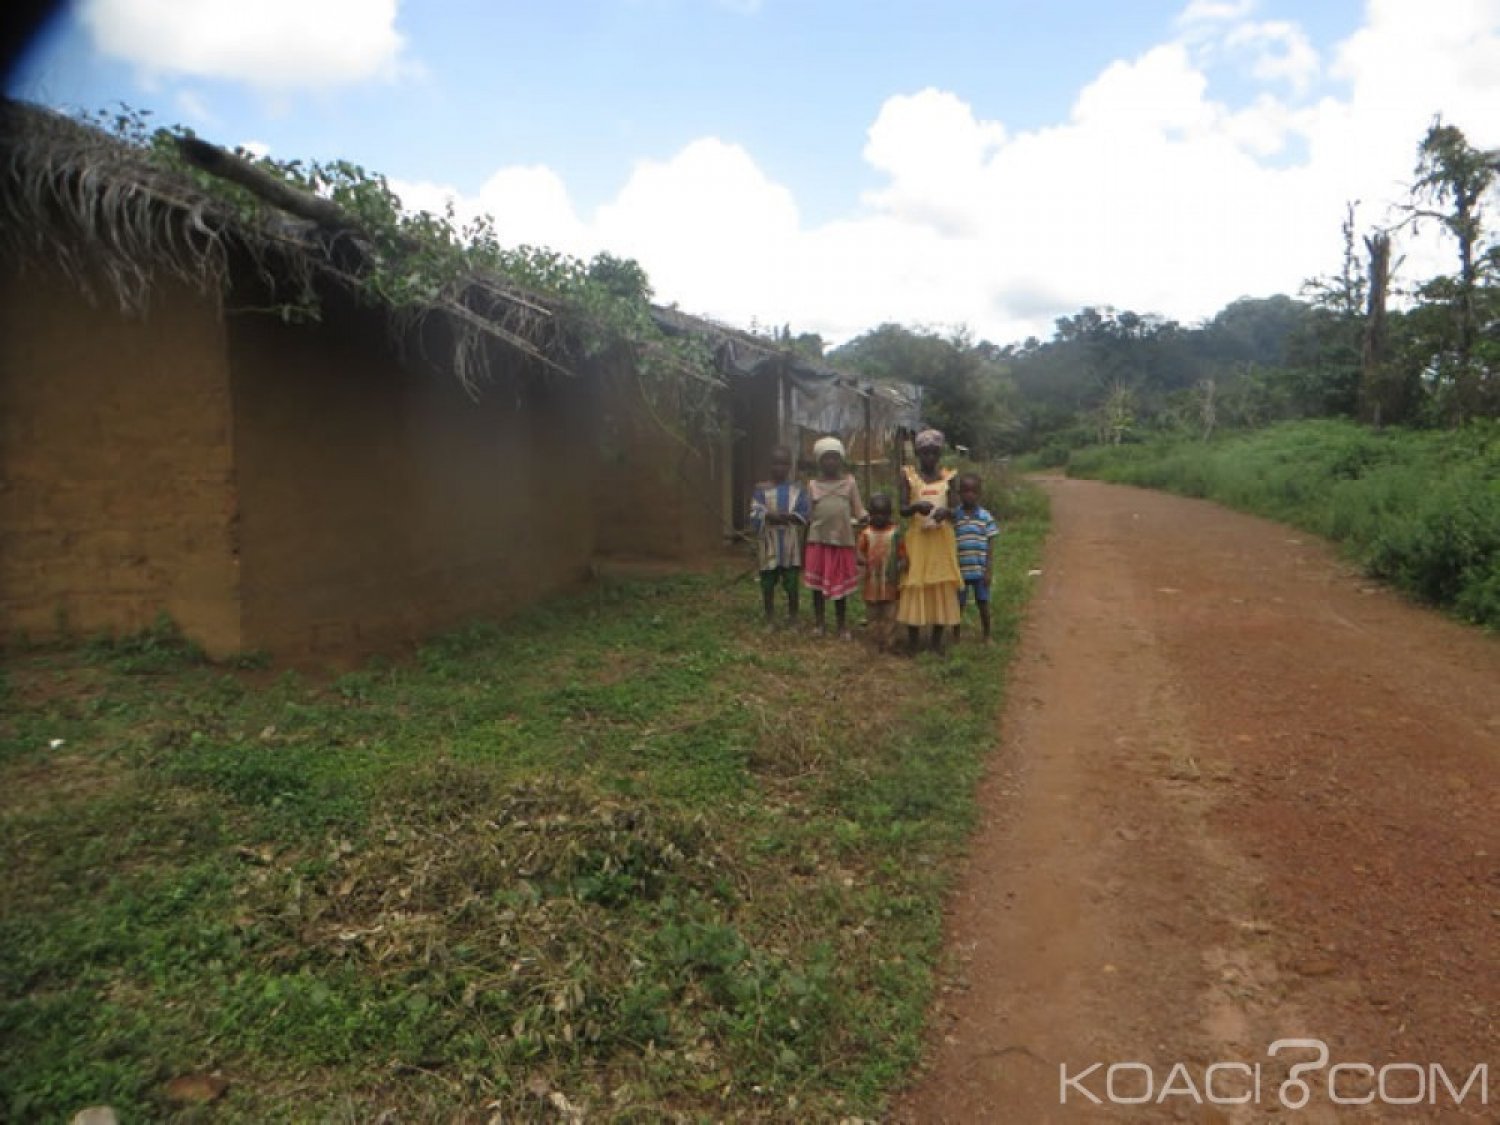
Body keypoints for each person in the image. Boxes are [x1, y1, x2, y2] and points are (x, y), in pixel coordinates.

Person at [897, 428, 961, 653]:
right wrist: (916, 506)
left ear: (940, 454)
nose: (930, 458)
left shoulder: (949, 478)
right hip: (918, 539)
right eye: (925, 453)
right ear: (918, 454)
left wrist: (946, 513)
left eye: (934, 453)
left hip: (941, 540)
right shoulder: (909, 477)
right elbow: (902, 508)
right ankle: (913, 640)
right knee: (916, 583)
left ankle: (936, 640)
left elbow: (957, 510)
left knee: (940, 584)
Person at [803, 435, 865, 638]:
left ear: (841, 460)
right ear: (820, 461)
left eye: (834, 457)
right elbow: (808, 515)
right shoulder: (813, 486)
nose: (831, 462)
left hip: (841, 542)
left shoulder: (849, 483)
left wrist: (870, 519)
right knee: (817, 587)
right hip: (818, 541)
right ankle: (819, 623)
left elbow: (858, 510)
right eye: (826, 458)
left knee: (841, 590)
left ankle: (841, 625)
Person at [748, 445, 810, 628]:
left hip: (790, 543)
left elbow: (804, 513)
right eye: (776, 463)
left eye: (783, 464)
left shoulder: (797, 490)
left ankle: (793, 616)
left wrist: (788, 517)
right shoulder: (761, 489)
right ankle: (769, 617)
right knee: (767, 580)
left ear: (789, 466)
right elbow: (755, 511)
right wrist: (768, 516)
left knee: (791, 582)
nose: (779, 468)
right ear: (770, 465)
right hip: (769, 542)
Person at [952, 472, 1001, 643]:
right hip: (960, 571)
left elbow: (991, 545)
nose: (969, 495)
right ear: (959, 493)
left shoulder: (985, 517)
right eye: (965, 491)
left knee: (983, 603)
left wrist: (988, 570)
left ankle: (987, 635)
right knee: (958, 606)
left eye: (973, 491)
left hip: (980, 570)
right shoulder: (954, 517)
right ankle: (955, 636)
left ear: (979, 494)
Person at [856, 492, 905, 650]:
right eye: (875, 514)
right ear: (870, 514)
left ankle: (889, 642)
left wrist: (901, 565)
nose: (879, 517)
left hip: (890, 583)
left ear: (889, 514)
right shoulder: (866, 534)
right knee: (873, 614)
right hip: (872, 583)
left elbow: (903, 553)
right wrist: (863, 561)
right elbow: (858, 553)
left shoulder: (895, 533)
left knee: (890, 614)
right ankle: (875, 640)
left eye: (883, 514)